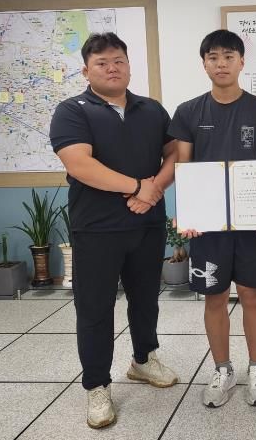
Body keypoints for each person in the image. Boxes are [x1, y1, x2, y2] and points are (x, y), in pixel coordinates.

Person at [49, 32, 179, 429]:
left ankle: (143, 359)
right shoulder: (72, 111)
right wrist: (138, 186)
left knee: (146, 300)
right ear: (86, 70)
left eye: (118, 60)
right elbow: (79, 164)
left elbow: (175, 153)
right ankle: (97, 385)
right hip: (97, 229)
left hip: (147, 224)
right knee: (95, 309)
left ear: (128, 65)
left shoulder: (151, 109)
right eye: (102, 63)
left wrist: (154, 189)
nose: (112, 68)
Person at [168, 29, 256, 408]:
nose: (221, 64)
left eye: (229, 56)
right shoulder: (188, 112)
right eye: (213, 57)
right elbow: (184, 168)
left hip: (251, 223)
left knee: (252, 295)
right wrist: (186, 214)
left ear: (242, 62)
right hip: (208, 226)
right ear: (204, 64)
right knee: (214, 297)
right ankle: (222, 369)